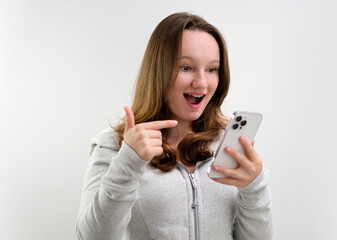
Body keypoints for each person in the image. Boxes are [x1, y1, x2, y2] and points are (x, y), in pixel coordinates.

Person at [76, 12, 273, 240]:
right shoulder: (113, 145)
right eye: (185, 67)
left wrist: (254, 187)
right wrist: (128, 163)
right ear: (159, 70)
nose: (201, 83)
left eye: (211, 69)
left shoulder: (226, 143)